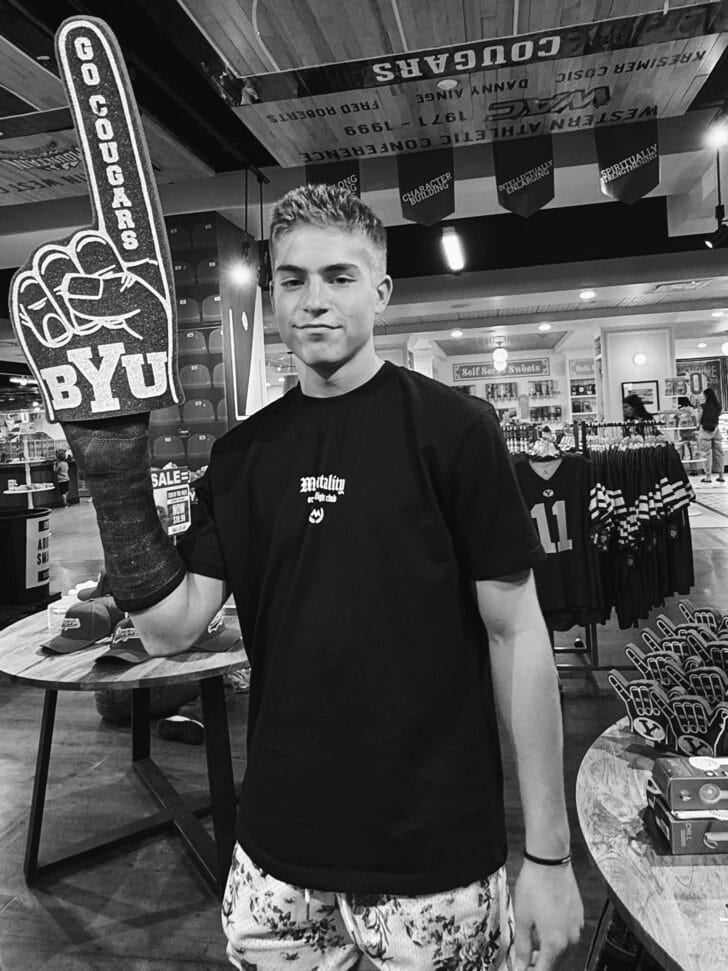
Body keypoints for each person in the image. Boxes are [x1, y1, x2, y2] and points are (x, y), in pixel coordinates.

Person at [65, 185, 582, 971]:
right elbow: (171, 628)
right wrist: (115, 479)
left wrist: (548, 854)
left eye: (339, 277)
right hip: (277, 854)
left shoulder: (455, 431)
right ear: (271, 292)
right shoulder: (241, 457)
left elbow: (518, 632)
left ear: (381, 291)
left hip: (431, 852)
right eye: (293, 280)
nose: (314, 300)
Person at [698, 386, 725, 483]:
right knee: (719, 453)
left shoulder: (703, 407)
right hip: (716, 430)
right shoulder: (718, 406)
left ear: (706, 396)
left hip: (705, 431)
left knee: (706, 453)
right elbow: (719, 415)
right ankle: (721, 475)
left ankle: (708, 477)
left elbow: (698, 419)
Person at [676, 395, 698, 462]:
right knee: (691, 446)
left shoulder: (679, 410)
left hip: (682, 429)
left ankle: (682, 459)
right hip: (690, 429)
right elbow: (695, 419)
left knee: (682, 445)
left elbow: (677, 420)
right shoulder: (691, 409)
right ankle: (692, 459)